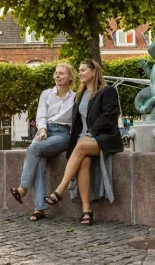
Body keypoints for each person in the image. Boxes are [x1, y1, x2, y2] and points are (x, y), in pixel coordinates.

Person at [44, 60, 123, 225]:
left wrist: (91, 133)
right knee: (84, 161)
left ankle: (60, 189)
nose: (79, 73)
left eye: (83, 70)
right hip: (83, 140)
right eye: (78, 71)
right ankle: (87, 210)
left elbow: (108, 116)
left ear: (94, 72)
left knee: (81, 147)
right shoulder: (79, 96)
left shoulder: (107, 91)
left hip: (104, 138)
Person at [10, 63, 76, 221]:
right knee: (38, 160)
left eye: (61, 73)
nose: (57, 76)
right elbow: (41, 116)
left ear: (70, 77)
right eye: (56, 73)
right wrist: (42, 130)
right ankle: (39, 208)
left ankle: (23, 188)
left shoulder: (75, 97)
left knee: (34, 148)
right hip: (46, 131)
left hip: (63, 134)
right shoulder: (46, 94)